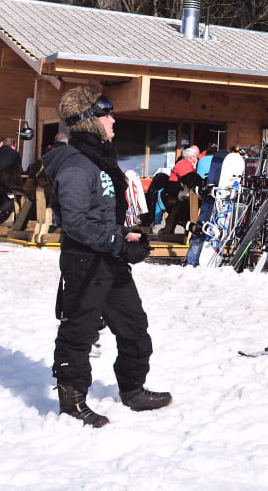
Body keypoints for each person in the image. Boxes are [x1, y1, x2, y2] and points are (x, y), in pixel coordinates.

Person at [42, 87, 171, 428]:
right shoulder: (75, 164)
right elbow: (76, 221)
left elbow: (101, 212)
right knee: (80, 332)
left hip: (109, 257)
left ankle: (132, 389)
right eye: (107, 114)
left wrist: (128, 235)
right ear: (89, 122)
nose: (114, 120)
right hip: (85, 261)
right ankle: (72, 402)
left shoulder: (100, 159)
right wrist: (118, 241)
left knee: (134, 327)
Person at [0, 135, 23, 224]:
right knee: (17, 195)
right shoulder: (14, 154)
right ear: (13, 145)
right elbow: (18, 171)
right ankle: (16, 220)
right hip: (4, 182)